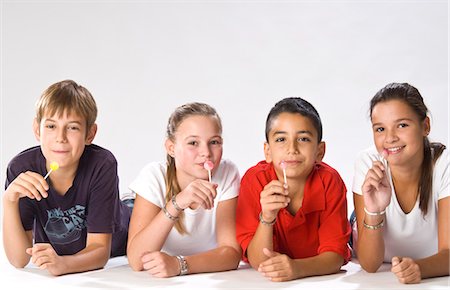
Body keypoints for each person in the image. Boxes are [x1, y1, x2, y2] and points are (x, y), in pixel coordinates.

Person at [3, 80, 131, 276]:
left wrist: (64, 265)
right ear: (37, 130)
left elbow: (100, 252)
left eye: (72, 128)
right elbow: (19, 259)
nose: (60, 137)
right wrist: (9, 200)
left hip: (128, 230)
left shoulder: (102, 164)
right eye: (51, 126)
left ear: (90, 134)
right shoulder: (22, 169)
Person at [236, 97, 351, 282]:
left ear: (320, 151)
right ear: (267, 151)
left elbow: (335, 256)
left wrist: (297, 268)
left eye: (303, 139)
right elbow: (260, 262)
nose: (292, 149)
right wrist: (267, 218)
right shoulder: (254, 180)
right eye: (281, 139)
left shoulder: (330, 181)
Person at [127, 102, 241, 277]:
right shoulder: (154, 176)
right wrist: (177, 203)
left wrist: (179, 264)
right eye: (193, 142)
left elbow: (232, 254)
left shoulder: (227, 173)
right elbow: (136, 260)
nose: (206, 152)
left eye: (214, 142)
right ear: (171, 148)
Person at [352, 82, 449, 284]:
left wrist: (418, 268)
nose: (390, 138)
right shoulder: (368, 163)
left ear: (425, 126)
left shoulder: (444, 164)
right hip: (361, 226)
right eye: (380, 129)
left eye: (402, 125)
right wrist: (373, 210)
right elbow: (370, 265)